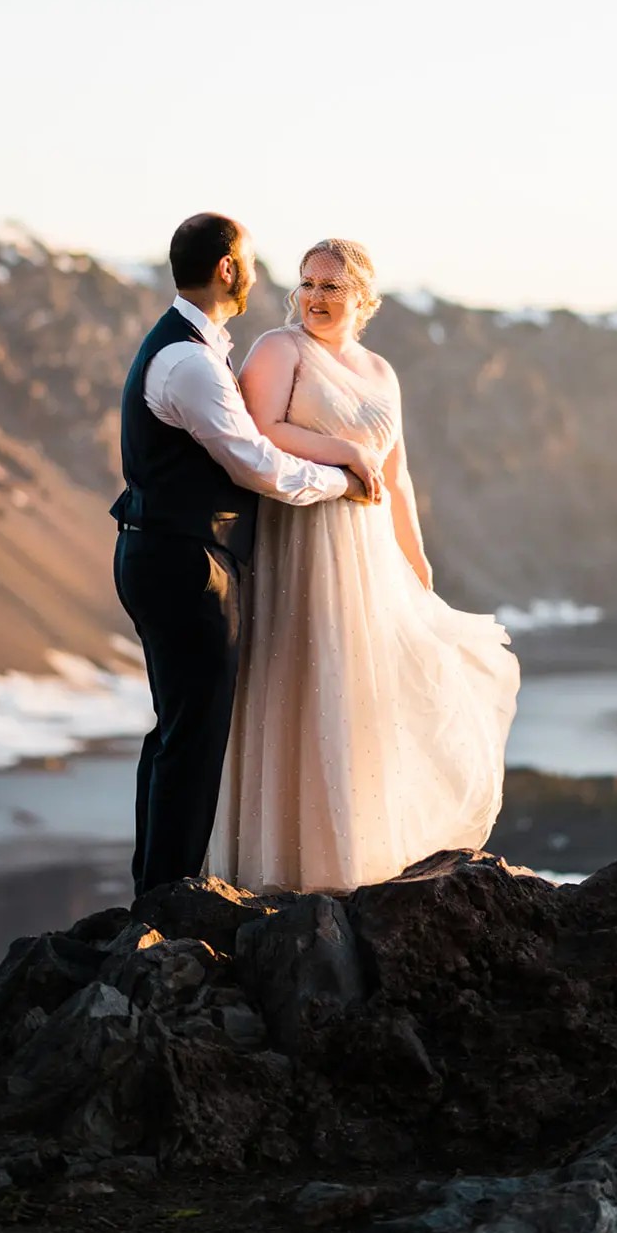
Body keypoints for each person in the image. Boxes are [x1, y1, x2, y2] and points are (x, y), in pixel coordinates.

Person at [207, 238, 520, 893]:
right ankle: (281, 870)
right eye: (307, 284)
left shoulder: (380, 371)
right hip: (300, 537)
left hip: (366, 551)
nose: (315, 298)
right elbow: (256, 432)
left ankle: (347, 864)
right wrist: (342, 448)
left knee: (357, 696)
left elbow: (396, 475)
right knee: (298, 682)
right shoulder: (277, 349)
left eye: (331, 287)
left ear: (361, 299)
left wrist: (417, 565)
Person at [110, 214, 380, 899]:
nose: (263, 276)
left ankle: (156, 888)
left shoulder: (187, 348)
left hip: (165, 554)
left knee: (175, 731)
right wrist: (342, 479)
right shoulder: (189, 362)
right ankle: (170, 899)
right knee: (194, 738)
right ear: (227, 269)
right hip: (184, 563)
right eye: (253, 261)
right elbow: (256, 463)